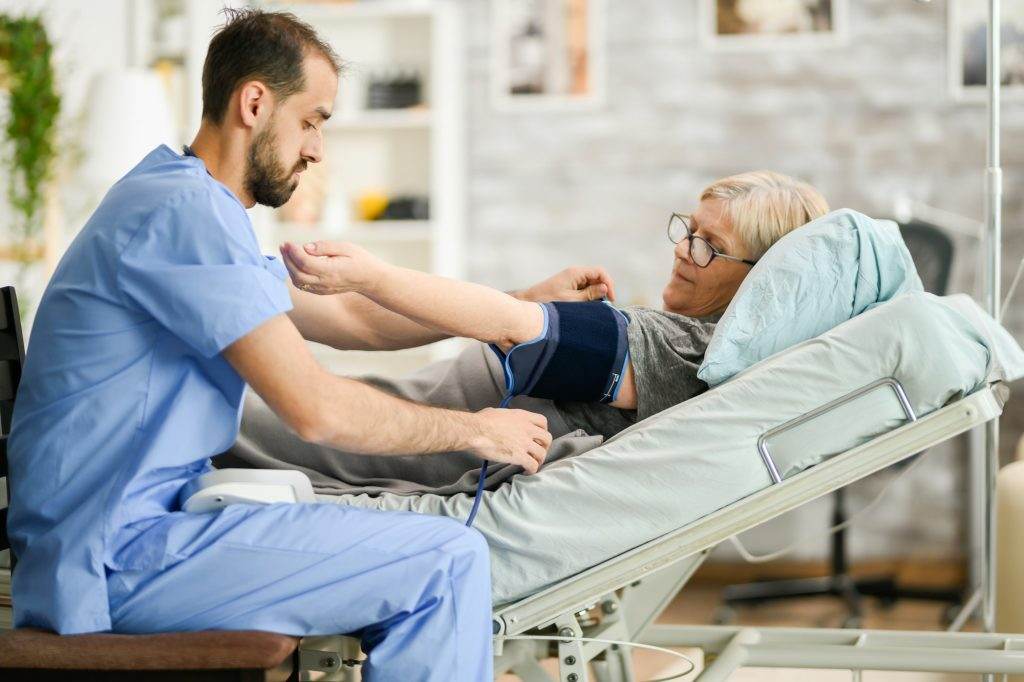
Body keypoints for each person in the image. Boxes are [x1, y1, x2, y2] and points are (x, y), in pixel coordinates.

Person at [4, 9, 606, 680]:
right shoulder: (186, 216)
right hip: (112, 558)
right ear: (255, 102)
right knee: (447, 560)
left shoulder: (188, 203)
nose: (317, 149)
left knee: (429, 554)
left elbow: (352, 321)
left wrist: (515, 308)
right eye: (313, 121)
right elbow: (317, 409)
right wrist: (476, 431)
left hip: (134, 534)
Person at [275, 170, 830, 443]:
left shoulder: (683, 349)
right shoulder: (681, 334)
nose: (683, 251)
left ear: (762, 281)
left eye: (709, 247)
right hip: (410, 397)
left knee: (250, 425)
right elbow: (512, 317)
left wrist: (374, 276)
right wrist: (531, 297)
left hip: (405, 430)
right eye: (688, 230)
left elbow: (508, 325)